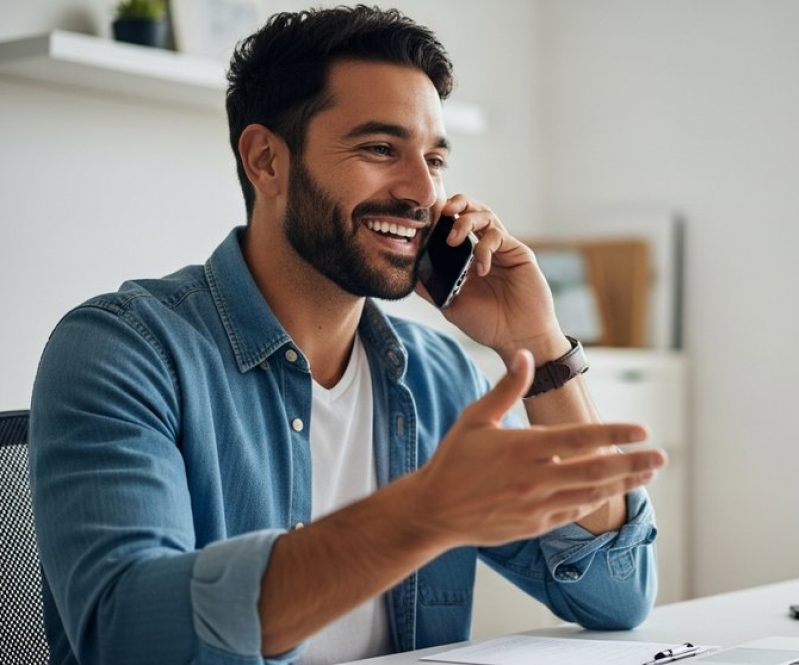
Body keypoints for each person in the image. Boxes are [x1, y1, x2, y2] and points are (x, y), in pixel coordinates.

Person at [29, 6, 666, 665]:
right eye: (380, 149)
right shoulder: (123, 351)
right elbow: (128, 635)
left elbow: (615, 595)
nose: (423, 192)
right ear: (266, 160)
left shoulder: (439, 377)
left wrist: (535, 342)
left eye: (436, 158)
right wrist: (421, 514)